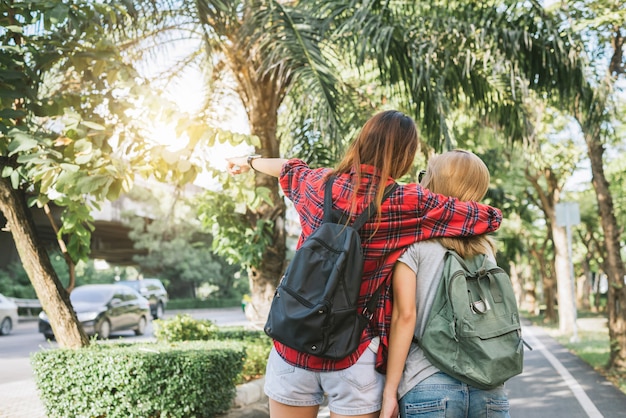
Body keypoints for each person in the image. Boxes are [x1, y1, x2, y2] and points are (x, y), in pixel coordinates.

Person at [226, 110, 503, 418]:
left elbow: (288, 168)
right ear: (407, 155)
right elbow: (487, 218)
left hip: (293, 346)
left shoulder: (319, 183)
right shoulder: (407, 202)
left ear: (361, 142)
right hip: (354, 355)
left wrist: (248, 161)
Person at [380, 149, 510, 418]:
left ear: (434, 184)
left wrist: (389, 392)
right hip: (489, 385)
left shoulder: (413, 244)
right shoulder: (486, 247)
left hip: (427, 383)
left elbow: (405, 318)